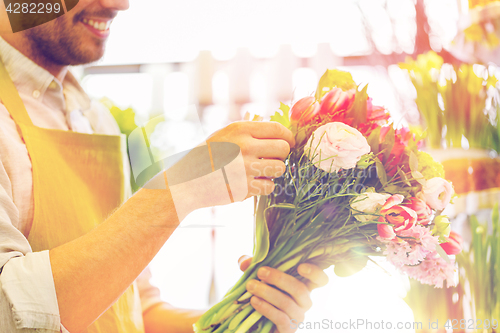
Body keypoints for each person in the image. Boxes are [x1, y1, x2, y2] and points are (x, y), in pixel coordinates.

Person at [0, 1, 329, 332]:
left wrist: (243, 315)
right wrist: (182, 186)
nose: (119, 4)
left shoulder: (95, 119)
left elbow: (136, 309)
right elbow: (7, 310)